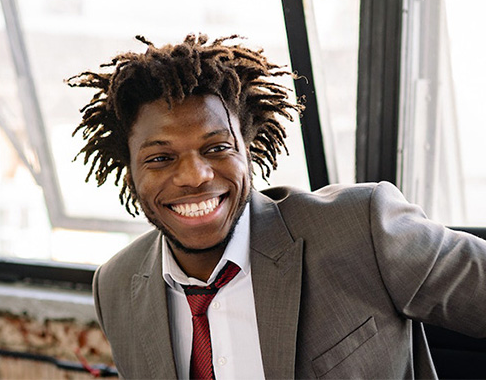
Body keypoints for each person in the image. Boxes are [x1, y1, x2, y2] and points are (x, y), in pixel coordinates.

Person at [69, 34, 486, 379]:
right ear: (130, 173)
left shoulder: (363, 228)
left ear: (249, 153)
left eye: (217, 148)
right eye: (160, 158)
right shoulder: (117, 286)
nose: (194, 176)